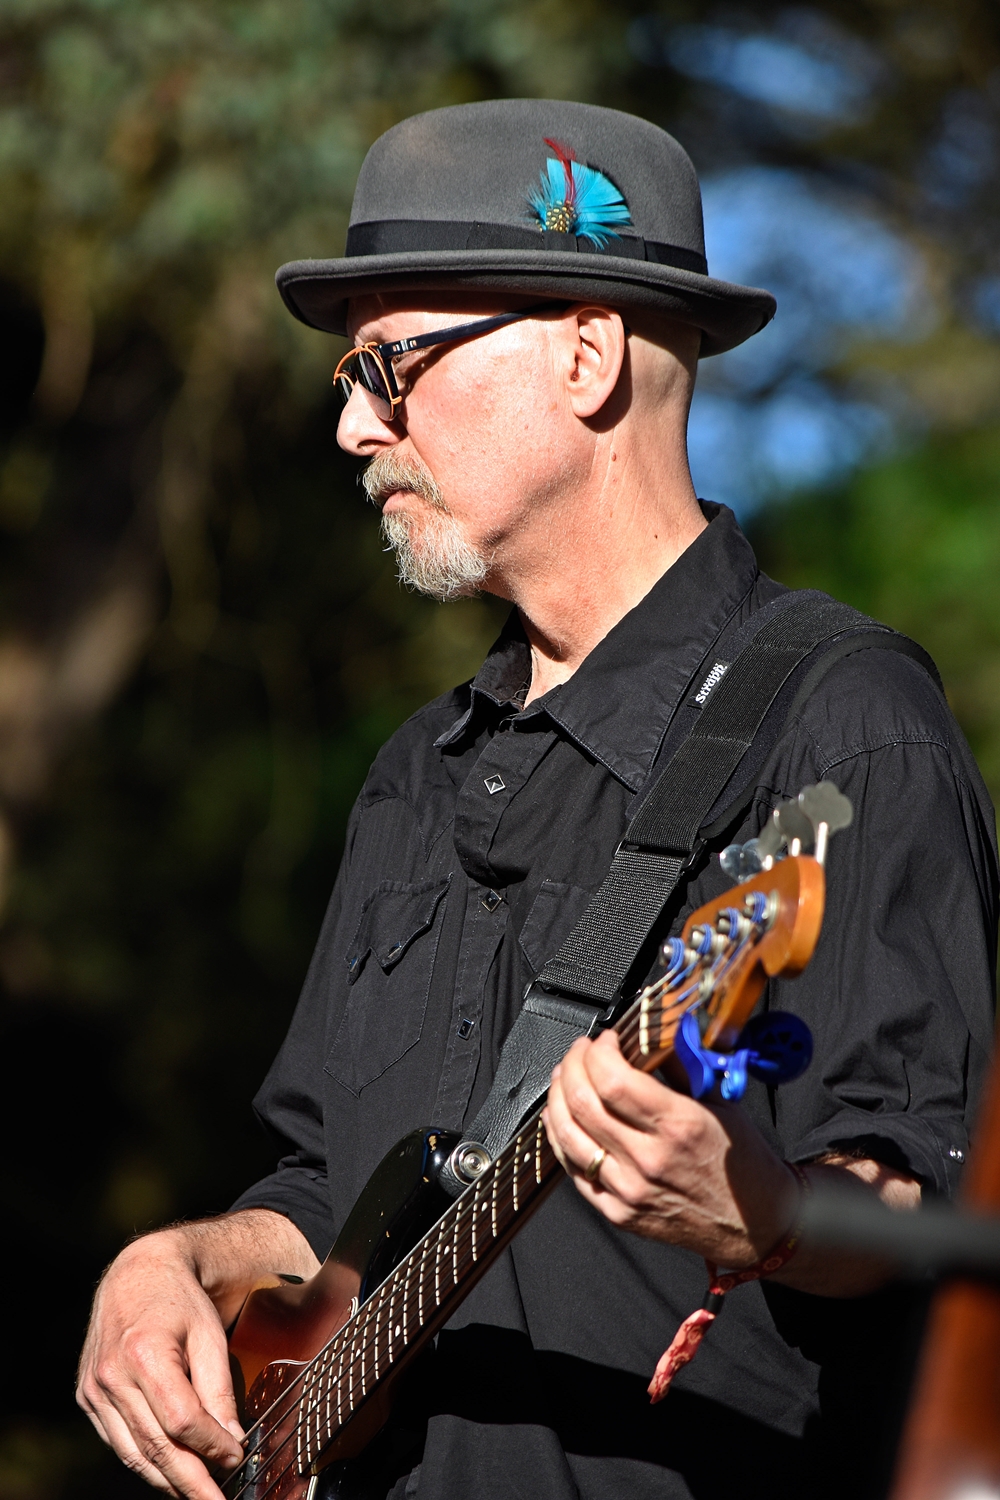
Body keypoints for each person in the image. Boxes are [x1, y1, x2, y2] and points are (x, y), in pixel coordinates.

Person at [77, 99, 998, 1500]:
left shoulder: (845, 729)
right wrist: (175, 1261)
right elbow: (321, 1190)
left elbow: (937, 1204)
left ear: (585, 354)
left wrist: (769, 1216)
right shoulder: (414, 774)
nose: (352, 427)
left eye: (388, 365)